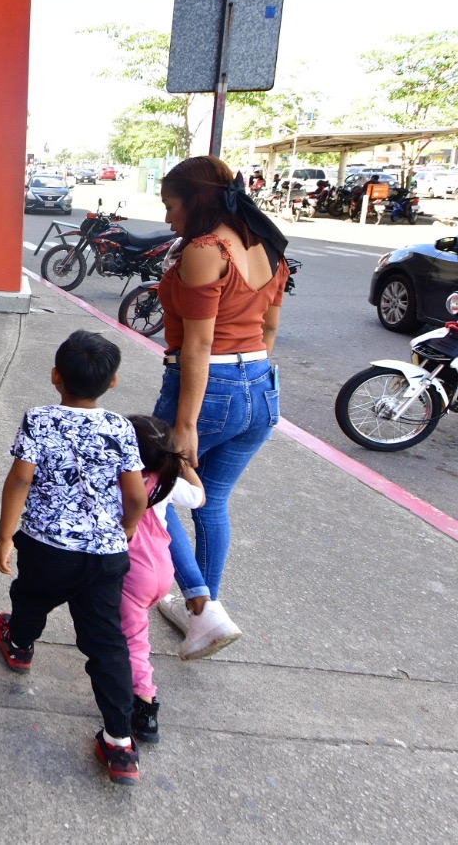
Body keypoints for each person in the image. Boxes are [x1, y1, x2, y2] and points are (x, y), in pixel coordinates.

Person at [0, 330, 147, 785]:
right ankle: (119, 743)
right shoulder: (120, 427)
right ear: (112, 382)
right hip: (105, 555)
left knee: (30, 597)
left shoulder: (39, 419)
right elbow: (135, 493)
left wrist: (4, 536)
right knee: (107, 643)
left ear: (55, 376)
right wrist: (127, 527)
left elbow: (21, 479)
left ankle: (19, 645)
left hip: (47, 547)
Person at [153, 155, 287, 659]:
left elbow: (198, 345)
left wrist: (187, 423)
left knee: (150, 486)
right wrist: (248, 378)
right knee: (212, 501)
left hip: (210, 387)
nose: (168, 217)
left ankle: (201, 606)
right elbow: (269, 329)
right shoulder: (268, 246)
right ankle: (201, 615)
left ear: (197, 201)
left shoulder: (206, 251)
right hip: (262, 386)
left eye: (172, 205)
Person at [118, 415, 205, 747]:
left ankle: (145, 704)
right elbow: (199, 497)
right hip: (163, 572)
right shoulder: (166, 483)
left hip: (133, 575)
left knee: (135, 642)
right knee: (133, 631)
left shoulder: (120, 481)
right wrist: (183, 465)